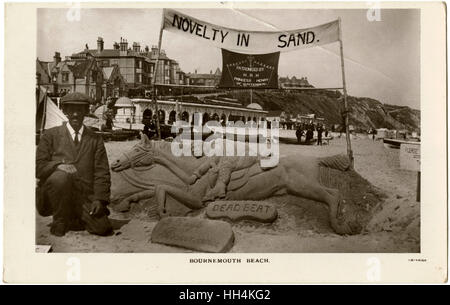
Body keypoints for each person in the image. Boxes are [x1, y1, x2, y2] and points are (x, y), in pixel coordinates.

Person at [36, 93, 113, 237]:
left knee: (102, 228)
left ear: (86, 112)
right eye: (71, 110)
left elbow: (102, 173)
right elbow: (38, 167)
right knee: (61, 178)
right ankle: (59, 220)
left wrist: (99, 199)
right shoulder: (50, 135)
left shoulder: (95, 139)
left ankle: (73, 217)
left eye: (80, 110)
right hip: (56, 196)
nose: (76, 114)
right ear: (65, 111)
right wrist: (58, 165)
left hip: (83, 196)